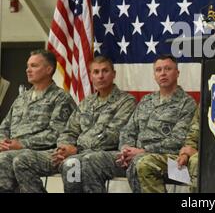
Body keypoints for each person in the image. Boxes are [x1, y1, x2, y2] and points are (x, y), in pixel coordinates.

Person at [13, 55, 136, 192]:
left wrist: (76, 149)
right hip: (73, 154)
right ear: (90, 76)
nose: (100, 76)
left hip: (103, 154)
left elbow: (112, 135)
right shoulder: (86, 103)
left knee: (73, 164)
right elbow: (69, 131)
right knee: (23, 160)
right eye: (96, 72)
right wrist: (64, 148)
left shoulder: (126, 101)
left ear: (113, 74)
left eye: (105, 71)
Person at [79, 54, 197, 193]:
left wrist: (142, 151)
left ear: (177, 73)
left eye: (168, 69)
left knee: (140, 162)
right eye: (158, 70)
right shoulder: (146, 100)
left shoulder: (187, 103)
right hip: (134, 155)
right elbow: (128, 130)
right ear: (154, 75)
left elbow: (177, 141)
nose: (163, 73)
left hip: (171, 161)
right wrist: (126, 150)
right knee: (91, 160)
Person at [0, 49, 76, 192]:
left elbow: (56, 133)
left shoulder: (60, 98)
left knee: (5, 160)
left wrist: (22, 144)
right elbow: (4, 126)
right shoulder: (22, 98)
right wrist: (3, 142)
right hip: (13, 150)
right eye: (28, 66)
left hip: (43, 153)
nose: (28, 70)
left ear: (49, 69)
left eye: (34, 66)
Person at [136, 106, 199, 193]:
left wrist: (198, 153)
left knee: (197, 162)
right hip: (190, 161)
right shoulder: (207, 101)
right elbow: (193, 135)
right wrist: (185, 154)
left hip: (210, 163)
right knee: (146, 164)